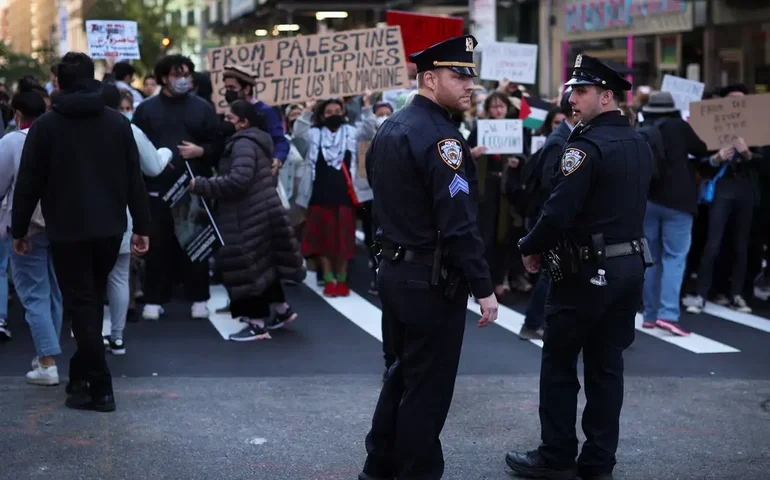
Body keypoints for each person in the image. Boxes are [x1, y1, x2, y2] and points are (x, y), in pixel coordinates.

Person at [505, 54, 652, 480]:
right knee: (607, 367)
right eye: (572, 90)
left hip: (585, 271)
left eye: (582, 91)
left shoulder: (585, 147)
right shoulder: (639, 142)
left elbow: (558, 211)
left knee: (560, 366)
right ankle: (599, 461)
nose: (572, 98)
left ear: (606, 96)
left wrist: (529, 246)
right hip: (628, 267)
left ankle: (556, 456)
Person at [359, 35, 499, 480]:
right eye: (459, 76)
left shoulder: (392, 126)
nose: (469, 85)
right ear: (430, 79)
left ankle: (379, 463)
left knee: (403, 373)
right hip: (429, 280)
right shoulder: (443, 138)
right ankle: (415, 471)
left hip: (396, 270)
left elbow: (376, 190)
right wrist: (484, 287)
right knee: (427, 387)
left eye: (471, 76)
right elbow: (458, 223)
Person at [12, 52, 151, 412]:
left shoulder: (46, 127)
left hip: (66, 229)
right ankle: (80, 374)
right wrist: (142, 225)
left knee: (83, 303)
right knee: (89, 298)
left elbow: (28, 183)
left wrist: (19, 228)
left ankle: (100, 386)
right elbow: (134, 179)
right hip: (110, 228)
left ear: (58, 83)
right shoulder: (117, 123)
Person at [190, 100, 305, 341]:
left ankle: (256, 324)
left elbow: (239, 180)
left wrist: (201, 185)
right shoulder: (256, 140)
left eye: (229, 118)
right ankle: (282, 310)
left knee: (247, 268)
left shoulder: (242, 143)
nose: (224, 122)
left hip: (244, 214)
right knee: (265, 265)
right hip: (259, 209)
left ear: (243, 122)